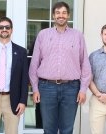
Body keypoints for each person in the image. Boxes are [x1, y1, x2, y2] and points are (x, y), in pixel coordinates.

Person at [29, 2, 91, 134]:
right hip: (46, 88)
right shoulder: (43, 35)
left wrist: (83, 89)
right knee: (49, 129)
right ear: (53, 15)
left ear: (68, 15)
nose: (60, 16)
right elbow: (34, 64)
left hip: (71, 88)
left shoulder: (77, 36)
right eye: (58, 13)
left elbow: (85, 63)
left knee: (67, 130)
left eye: (64, 13)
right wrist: (35, 89)